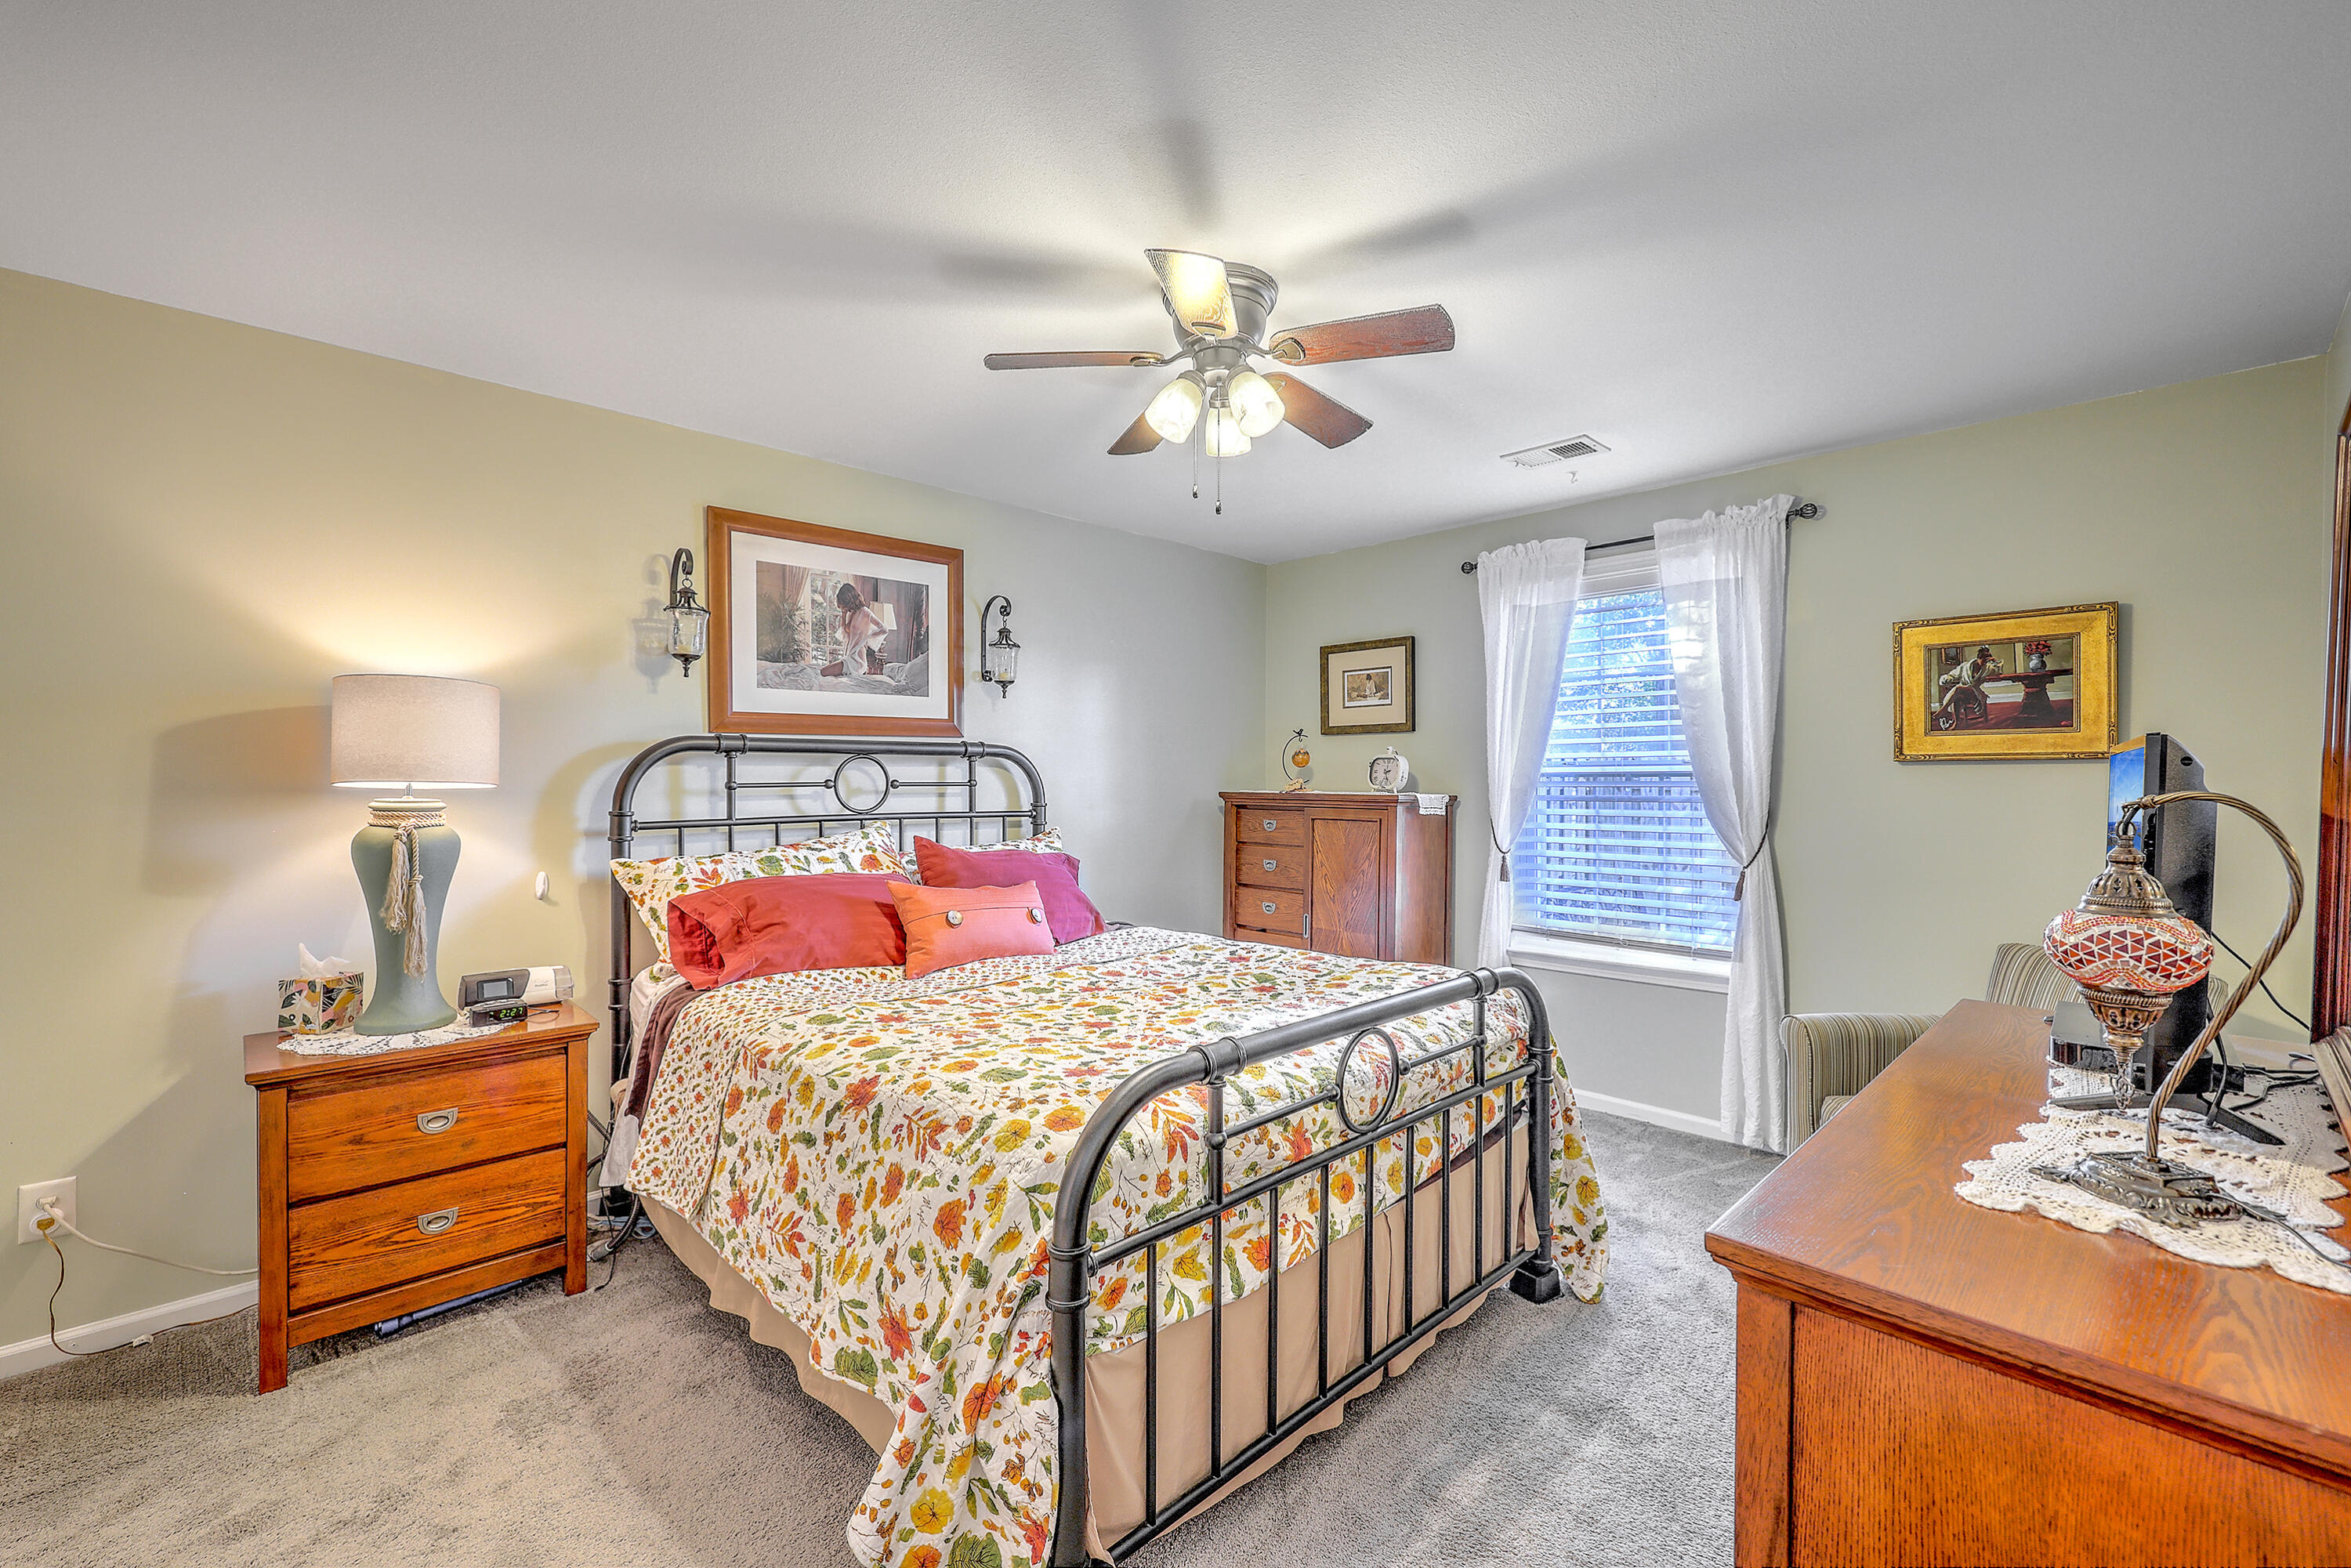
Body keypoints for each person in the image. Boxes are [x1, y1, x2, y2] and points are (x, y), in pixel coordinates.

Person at [821, 580, 889, 679]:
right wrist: (843, 616)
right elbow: (845, 634)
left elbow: (884, 629)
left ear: (849, 599)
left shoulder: (865, 612)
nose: (844, 607)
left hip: (858, 659)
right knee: (825, 674)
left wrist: (866, 637)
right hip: (849, 656)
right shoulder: (851, 613)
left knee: (824, 672)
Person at [1935, 644, 2005, 724]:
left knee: (1958, 688)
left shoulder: (1988, 669)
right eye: (1984, 659)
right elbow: (1952, 675)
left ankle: (1942, 711)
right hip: (1963, 693)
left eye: (1988, 659)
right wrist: (1946, 679)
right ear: (1979, 658)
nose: (1986, 661)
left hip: (1975, 694)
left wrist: (1995, 662)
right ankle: (1955, 723)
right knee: (1958, 695)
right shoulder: (1965, 666)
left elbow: (1998, 673)